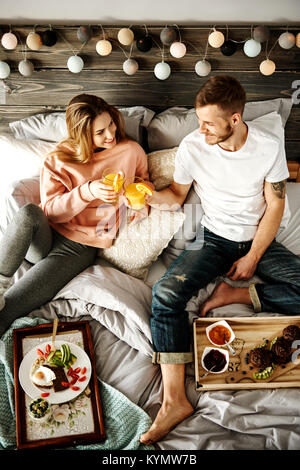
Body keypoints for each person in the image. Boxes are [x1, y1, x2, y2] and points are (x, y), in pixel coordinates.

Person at [140, 75, 300, 445]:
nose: (201, 130)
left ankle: (241, 296)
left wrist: (253, 258)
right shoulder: (192, 146)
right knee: (165, 294)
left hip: (257, 240)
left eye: (209, 123)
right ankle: (174, 401)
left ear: (235, 119)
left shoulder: (268, 146)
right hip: (210, 239)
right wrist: (145, 196)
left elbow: (275, 204)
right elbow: (178, 194)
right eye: (199, 121)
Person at [0, 93, 151, 336]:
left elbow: (145, 184)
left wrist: (137, 202)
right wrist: (87, 191)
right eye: (100, 132)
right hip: (47, 235)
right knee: (29, 212)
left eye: (110, 124)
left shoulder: (130, 151)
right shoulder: (57, 159)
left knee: (9, 309)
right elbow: (50, 211)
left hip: (78, 246)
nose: (111, 134)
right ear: (81, 134)